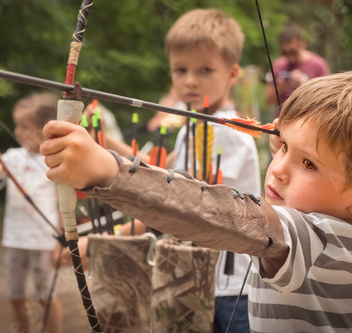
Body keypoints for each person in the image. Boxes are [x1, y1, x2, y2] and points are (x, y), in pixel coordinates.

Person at [41, 69, 352, 332]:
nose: (279, 168)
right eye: (280, 146)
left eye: (308, 164)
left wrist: (107, 171)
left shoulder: (317, 237)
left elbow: (221, 215)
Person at [86, 9, 259, 332]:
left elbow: (184, 201)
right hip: (201, 274)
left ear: (232, 73)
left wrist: (117, 237)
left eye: (205, 69)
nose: (190, 80)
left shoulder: (228, 132)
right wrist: (106, 150)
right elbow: (168, 175)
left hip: (233, 286)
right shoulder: (190, 126)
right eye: (180, 70)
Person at [0, 92, 63, 333]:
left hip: (43, 242)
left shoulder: (55, 161)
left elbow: (63, 205)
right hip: (15, 239)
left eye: (24, 126)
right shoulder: (12, 157)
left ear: (44, 130)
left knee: (46, 297)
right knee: (15, 295)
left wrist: (61, 241)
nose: (17, 131)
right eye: (16, 124)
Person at [265, 22, 330, 117]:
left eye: (293, 51)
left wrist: (304, 86)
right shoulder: (278, 65)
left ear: (302, 42)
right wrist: (282, 86)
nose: (289, 56)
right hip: (283, 122)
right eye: (285, 52)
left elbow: (328, 99)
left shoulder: (318, 64)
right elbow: (268, 101)